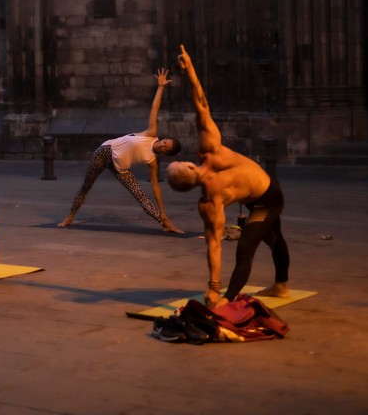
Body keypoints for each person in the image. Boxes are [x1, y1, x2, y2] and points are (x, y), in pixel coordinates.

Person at [167, 44, 290, 308]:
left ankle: (261, 289)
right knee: (256, 242)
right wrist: (189, 70)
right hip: (262, 198)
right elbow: (201, 103)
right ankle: (248, 294)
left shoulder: (208, 201)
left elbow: (213, 245)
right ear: (188, 168)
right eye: (178, 162)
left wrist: (189, 70)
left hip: (268, 195)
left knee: (263, 239)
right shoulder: (209, 152)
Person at [57, 68, 184, 233]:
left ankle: (165, 222)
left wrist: (162, 210)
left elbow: (156, 187)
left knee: (140, 196)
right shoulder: (151, 134)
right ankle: (70, 216)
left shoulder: (152, 161)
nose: (163, 145)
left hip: (121, 168)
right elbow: (154, 108)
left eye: (166, 147)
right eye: (165, 142)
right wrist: (160, 87)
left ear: (166, 153)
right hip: (105, 152)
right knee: (86, 186)